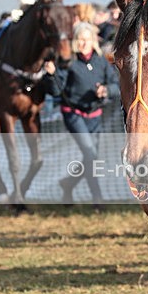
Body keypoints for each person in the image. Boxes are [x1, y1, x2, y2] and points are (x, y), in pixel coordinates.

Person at [44, 21, 119, 208]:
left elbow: (116, 86)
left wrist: (106, 90)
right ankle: (97, 199)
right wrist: (52, 75)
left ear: (92, 40)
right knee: (90, 153)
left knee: (90, 157)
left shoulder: (101, 61)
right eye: (80, 39)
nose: (83, 43)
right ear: (75, 41)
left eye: (86, 39)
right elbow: (55, 90)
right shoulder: (68, 62)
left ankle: (68, 184)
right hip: (74, 114)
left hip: (95, 115)